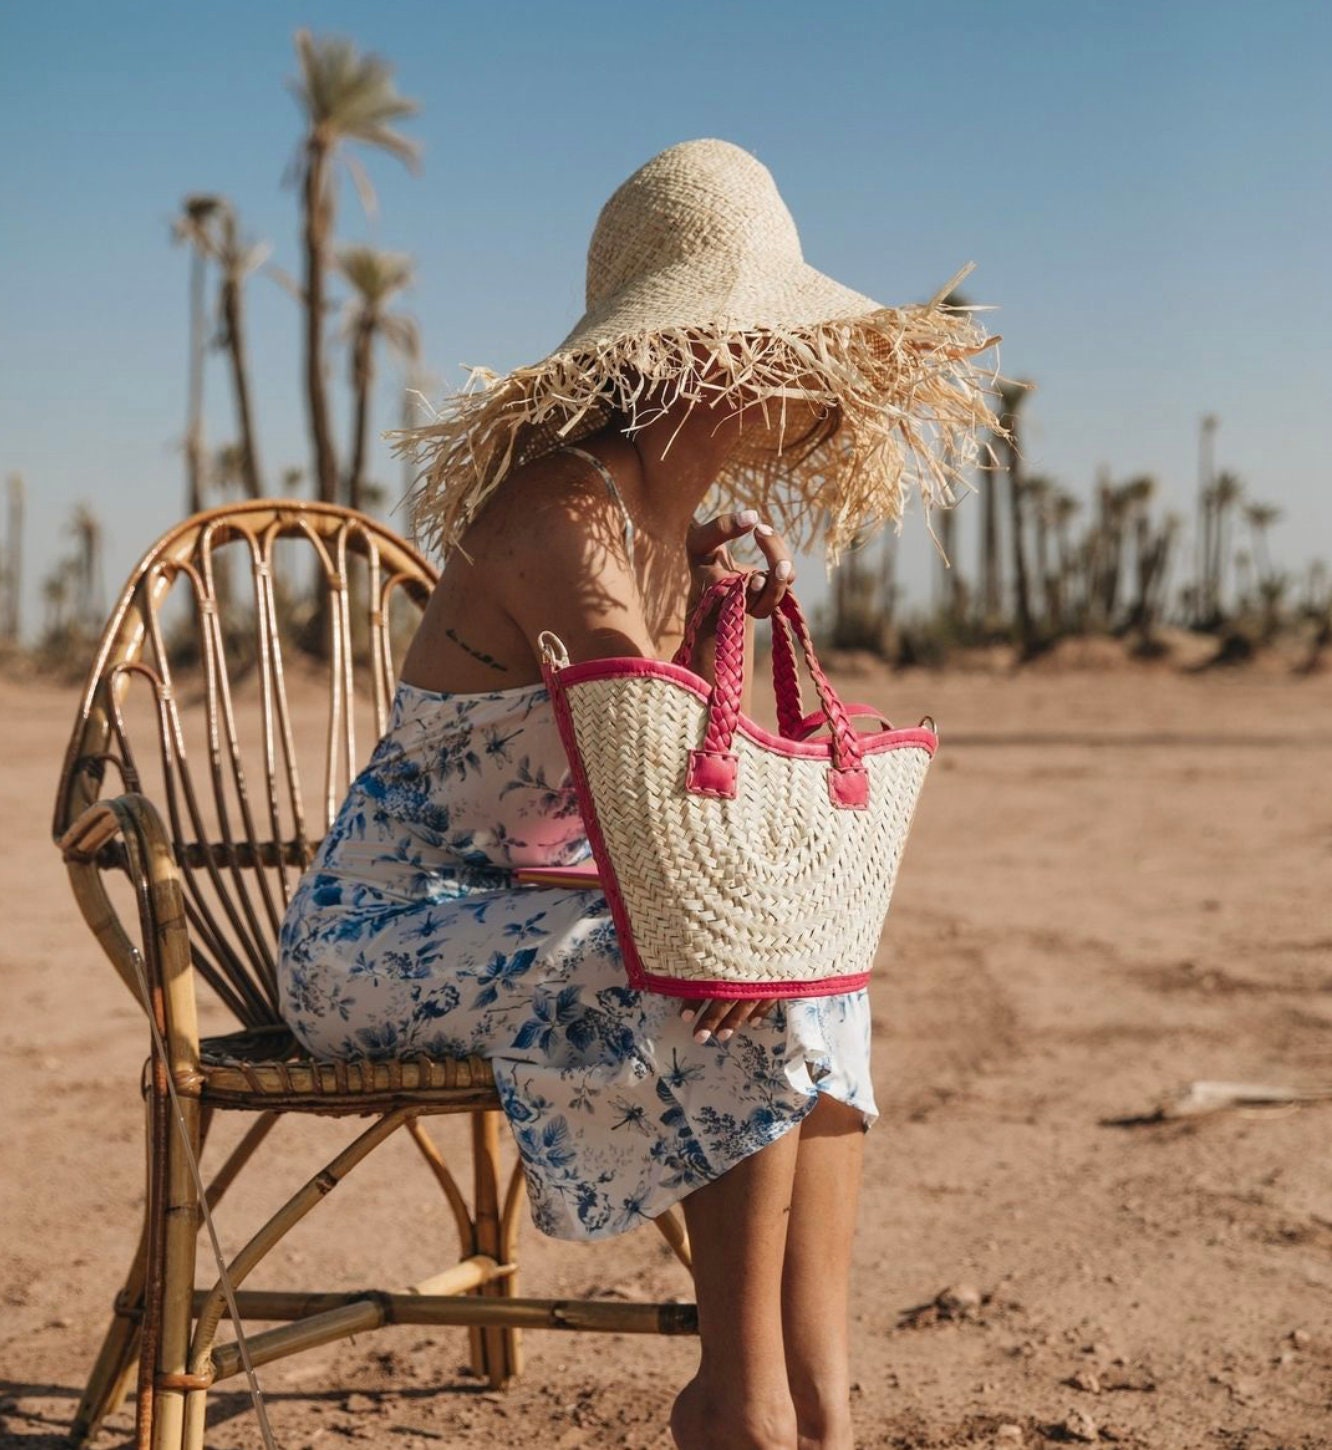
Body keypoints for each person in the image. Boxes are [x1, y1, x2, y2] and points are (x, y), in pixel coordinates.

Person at [277, 137, 998, 1450]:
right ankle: (743, 1400)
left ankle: (817, 1397)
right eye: (771, 331)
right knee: (711, 958)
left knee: (816, 964)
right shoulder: (568, 513)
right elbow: (651, 762)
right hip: (382, 937)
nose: (795, 362)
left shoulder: (672, 530)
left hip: (549, 921)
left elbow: (674, 785)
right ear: (708, 349)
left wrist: (732, 600)